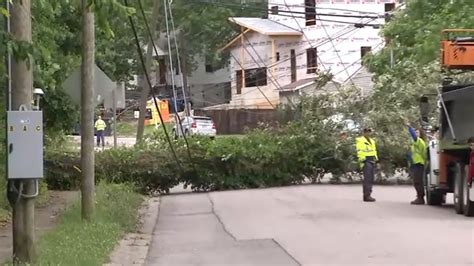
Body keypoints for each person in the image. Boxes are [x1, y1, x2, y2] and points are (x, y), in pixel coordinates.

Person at [406, 122, 427, 205]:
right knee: (416, 181)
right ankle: (419, 196)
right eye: (415, 132)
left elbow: (414, 136)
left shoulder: (419, 141)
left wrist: (409, 127)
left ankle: (420, 198)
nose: (415, 133)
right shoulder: (414, 143)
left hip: (419, 163)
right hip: (415, 164)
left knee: (418, 181)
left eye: (417, 132)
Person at [356, 128, 378, 202]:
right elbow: (359, 150)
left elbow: (374, 150)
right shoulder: (360, 140)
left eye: (369, 132)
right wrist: (363, 159)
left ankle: (369, 194)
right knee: (367, 179)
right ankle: (366, 196)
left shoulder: (372, 141)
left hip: (372, 160)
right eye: (367, 132)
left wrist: (375, 158)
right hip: (366, 160)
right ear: (364, 132)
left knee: (371, 178)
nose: (368, 133)